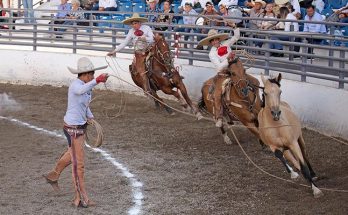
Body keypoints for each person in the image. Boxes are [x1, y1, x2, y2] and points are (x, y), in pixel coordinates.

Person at [43, 57, 109, 207]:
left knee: (72, 155)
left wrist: (90, 116)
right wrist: (97, 80)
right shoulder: (76, 85)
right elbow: (81, 91)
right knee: (78, 164)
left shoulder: (86, 85)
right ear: (85, 74)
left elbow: (85, 102)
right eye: (92, 74)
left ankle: (53, 176)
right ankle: (80, 198)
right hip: (73, 129)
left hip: (79, 127)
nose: (92, 77)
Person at [197, 27, 240, 127]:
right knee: (218, 93)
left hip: (235, 69)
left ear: (218, 39)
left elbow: (236, 37)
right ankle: (219, 116)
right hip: (223, 73)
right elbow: (219, 67)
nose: (215, 41)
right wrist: (228, 59)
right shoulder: (211, 53)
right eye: (212, 41)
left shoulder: (226, 43)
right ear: (211, 42)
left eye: (216, 39)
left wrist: (234, 27)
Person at [107, 13, 154, 93]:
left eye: (135, 23)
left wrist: (144, 38)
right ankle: (146, 87)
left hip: (149, 50)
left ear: (139, 22)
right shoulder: (131, 31)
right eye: (132, 24)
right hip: (139, 53)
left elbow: (152, 39)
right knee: (139, 69)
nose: (134, 25)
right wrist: (115, 51)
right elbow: (125, 42)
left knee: (162, 57)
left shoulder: (147, 28)